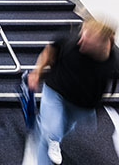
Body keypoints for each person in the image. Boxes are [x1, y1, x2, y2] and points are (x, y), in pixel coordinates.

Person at [27, 18, 118, 165]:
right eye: (82, 35)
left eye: (87, 40)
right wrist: (37, 72)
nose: (80, 41)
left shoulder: (114, 61)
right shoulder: (70, 41)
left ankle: (45, 129)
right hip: (56, 91)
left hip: (82, 105)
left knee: (61, 129)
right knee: (52, 133)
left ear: (103, 43)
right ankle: (48, 144)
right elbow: (48, 52)